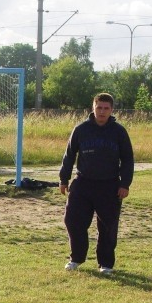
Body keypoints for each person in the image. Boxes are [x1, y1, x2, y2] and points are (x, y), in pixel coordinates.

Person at [59, 92, 134, 275]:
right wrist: (64, 179)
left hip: (109, 186)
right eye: (99, 107)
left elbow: (127, 159)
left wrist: (125, 184)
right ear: (92, 108)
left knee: (108, 227)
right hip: (83, 183)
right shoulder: (81, 129)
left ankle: (105, 264)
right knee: (72, 221)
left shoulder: (119, 132)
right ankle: (76, 258)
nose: (102, 111)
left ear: (111, 110)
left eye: (106, 108)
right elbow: (69, 155)